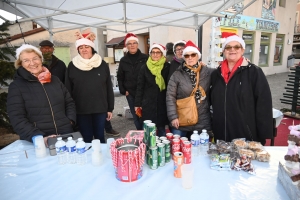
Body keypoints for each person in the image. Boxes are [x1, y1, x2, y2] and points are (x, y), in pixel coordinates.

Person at [7, 44, 76, 146]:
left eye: (35, 58)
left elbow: (69, 102)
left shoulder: (55, 80)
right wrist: (38, 138)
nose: (32, 63)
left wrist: (69, 121)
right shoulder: (16, 86)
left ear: (41, 59)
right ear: (20, 64)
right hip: (39, 141)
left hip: (65, 135)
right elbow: (17, 118)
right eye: (26, 60)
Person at [210, 34, 273, 145]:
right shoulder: (216, 74)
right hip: (221, 132)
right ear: (224, 51)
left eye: (236, 47)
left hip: (245, 133)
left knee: (244, 162)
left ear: (242, 50)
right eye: (228, 47)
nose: (232, 50)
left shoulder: (254, 72)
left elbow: (264, 103)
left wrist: (263, 133)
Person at [65, 30, 116, 143]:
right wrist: (70, 111)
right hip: (81, 109)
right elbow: (68, 90)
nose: (84, 50)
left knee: (100, 137)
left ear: (92, 47)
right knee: (86, 138)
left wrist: (110, 108)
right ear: (78, 49)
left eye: (86, 46)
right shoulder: (72, 65)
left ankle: (100, 159)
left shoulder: (101, 64)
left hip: (100, 108)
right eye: (81, 47)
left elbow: (108, 87)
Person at [166, 41, 212, 137]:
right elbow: (170, 96)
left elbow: (224, 72)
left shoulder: (208, 72)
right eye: (187, 56)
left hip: (201, 120)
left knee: (200, 150)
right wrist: (173, 117)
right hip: (182, 119)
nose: (190, 57)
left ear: (198, 56)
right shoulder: (177, 74)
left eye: (193, 54)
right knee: (178, 149)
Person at [135, 44, 170, 136]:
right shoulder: (145, 67)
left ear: (162, 54)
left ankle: (161, 149)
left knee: (161, 129)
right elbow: (140, 86)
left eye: (158, 52)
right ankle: (147, 148)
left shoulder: (167, 67)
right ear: (150, 54)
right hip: (148, 103)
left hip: (162, 103)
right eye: (153, 52)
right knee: (149, 130)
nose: (155, 54)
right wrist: (138, 104)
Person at [117, 33, 148, 130]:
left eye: (134, 43)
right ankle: (140, 133)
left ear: (137, 44)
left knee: (145, 115)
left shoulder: (145, 58)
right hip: (130, 93)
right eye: (129, 43)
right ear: (127, 46)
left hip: (144, 92)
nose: (132, 45)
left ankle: (146, 134)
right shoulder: (123, 60)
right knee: (136, 116)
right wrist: (123, 90)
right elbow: (120, 76)